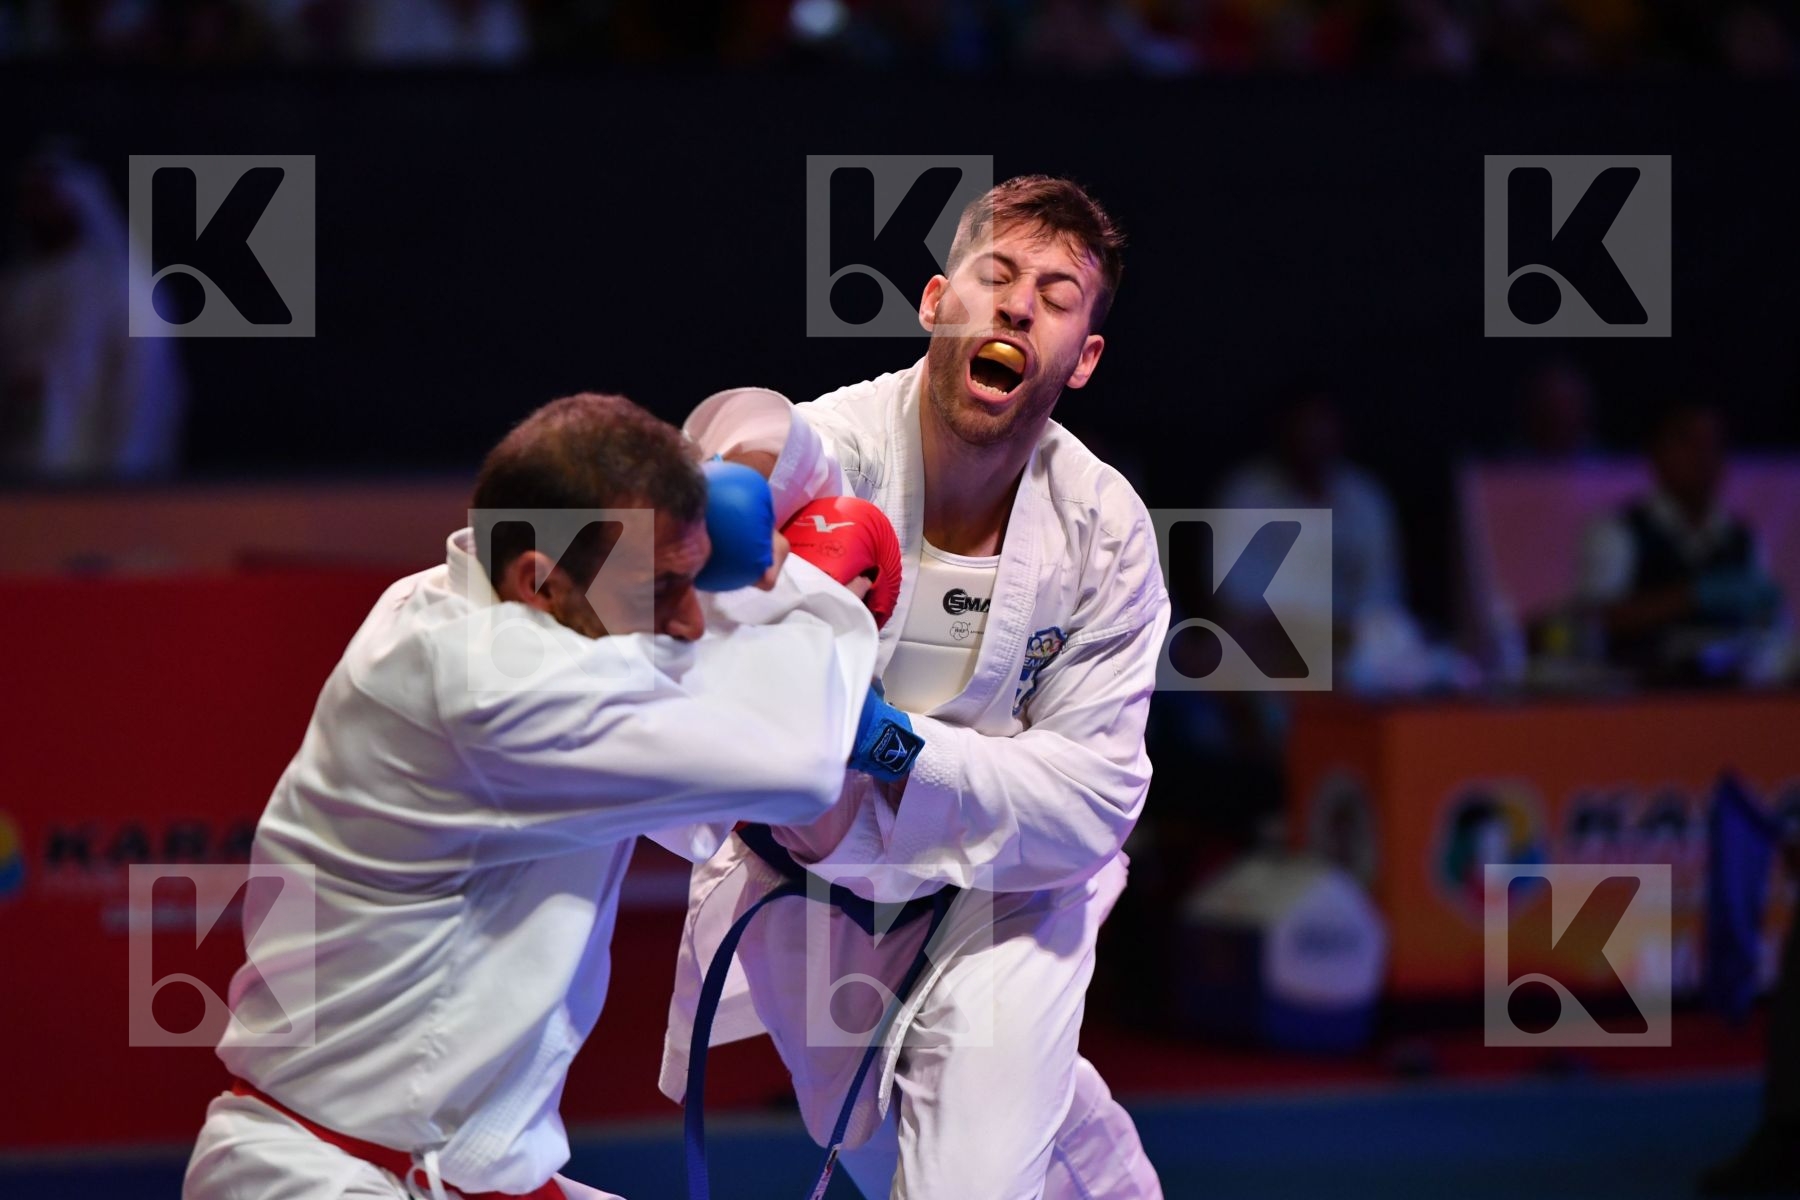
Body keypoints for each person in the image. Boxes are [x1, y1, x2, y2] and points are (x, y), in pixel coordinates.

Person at [183, 392, 906, 1200]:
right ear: (541, 583)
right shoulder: (487, 688)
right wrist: (806, 584)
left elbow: (700, 782)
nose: (693, 623)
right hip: (329, 1179)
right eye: (666, 589)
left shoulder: (482, 603)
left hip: (437, 1171)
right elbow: (799, 765)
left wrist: (743, 513)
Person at [661, 175, 1169, 1198]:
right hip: (813, 902)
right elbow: (763, 428)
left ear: (1085, 359)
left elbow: (1093, 799)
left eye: (1059, 297)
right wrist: (725, 475)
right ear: (938, 304)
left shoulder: (1103, 531)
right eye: (997, 275)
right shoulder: (839, 454)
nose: (1020, 305)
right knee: (919, 1154)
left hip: (1006, 905)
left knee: (968, 1182)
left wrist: (890, 742)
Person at [0, 147, 186, 479]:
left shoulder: (123, 284)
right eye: (29, 199)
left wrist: (126, 474)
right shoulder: (16, 287)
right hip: (21, 476)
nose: (36, 211)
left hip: (91, 478)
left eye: (46, 198)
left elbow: (143, 389)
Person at [1577, 402, 1783, 682]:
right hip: (1642, 697)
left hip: (1731, 695)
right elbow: (1594, 621)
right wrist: (1693, 597)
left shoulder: (1743, 538)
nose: (1703, 457)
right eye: (1688, 443)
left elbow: (1769, 629)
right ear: (1655, 454)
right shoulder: (1617, 532)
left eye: (1713, 445)